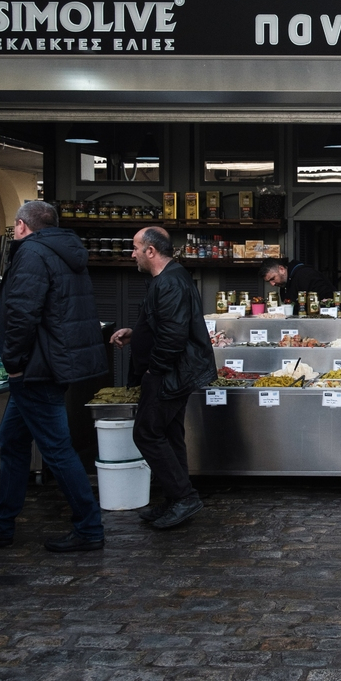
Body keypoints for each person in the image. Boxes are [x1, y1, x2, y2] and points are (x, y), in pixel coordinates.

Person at [0, 200, 107, 552]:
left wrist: (15, 362)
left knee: (56, 449)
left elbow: (22, 312)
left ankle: (89, 527)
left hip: (37, 368)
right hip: (50, 362)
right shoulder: (63, 251)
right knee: (13, 442)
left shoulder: (33, 254)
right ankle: (0, 524)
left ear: (22, 226)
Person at [110, 226, 217, 529]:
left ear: (151, 251)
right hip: (173, 372)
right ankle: (175, 499)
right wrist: (137, 333)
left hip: (169, 374)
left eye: (135, 248)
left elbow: (173, 337)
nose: (132, 255)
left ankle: (183, 497)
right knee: (169, 434)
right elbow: (164, 324)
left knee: (146, 433)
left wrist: (152, 370)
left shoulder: (170, 283)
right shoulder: (169, 279)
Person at [260, 258, 336, 307]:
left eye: (273, 278)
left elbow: (328, 298)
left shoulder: (306, 275)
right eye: (268, 281)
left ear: (281, 269)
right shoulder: (283, 285)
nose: (272, 284)